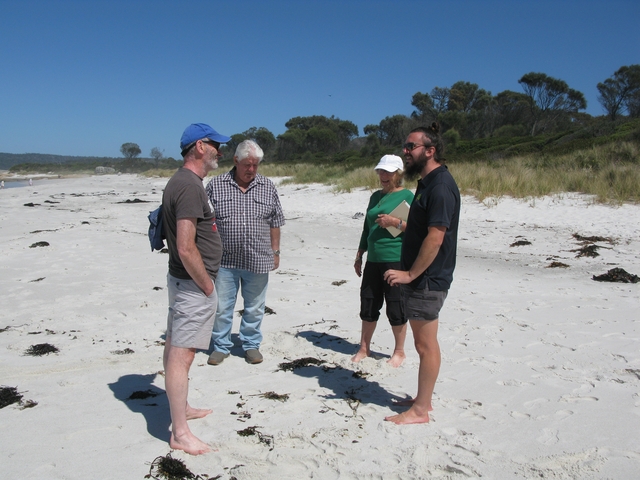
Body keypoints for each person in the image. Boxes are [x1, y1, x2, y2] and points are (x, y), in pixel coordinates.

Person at [383, 123, 460, 424]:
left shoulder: (441, 186)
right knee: (424, 343)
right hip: (425, 276)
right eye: (405, 146)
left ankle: (420, 410)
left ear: (430, 151)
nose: (405, 152)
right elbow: (419, 228)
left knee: (425, 346)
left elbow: (436, 237)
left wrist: (410, 274)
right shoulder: (428, 183)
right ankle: (422, 400)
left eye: (410, 147)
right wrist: (398, 224)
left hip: (428, 278)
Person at [161, 122, 229, 454]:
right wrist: (206, 286)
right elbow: (186, 246)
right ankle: (180, 433)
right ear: (200, 147)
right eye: (216, 144)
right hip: (191, 284)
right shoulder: (188, 186)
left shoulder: (184, 181)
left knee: (175, 345)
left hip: (182, 281)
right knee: (182, 356)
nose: (221, 151)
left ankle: (181, 409)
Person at [205, 139, 285, 366]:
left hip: (258, 259)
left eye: (256, 165)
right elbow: (204, 222)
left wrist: (276, 251)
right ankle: (221, 346)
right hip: (224, 260)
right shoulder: (215, 185)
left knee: (255, 307)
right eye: (247, 165)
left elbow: (275, 221)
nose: (251, 169)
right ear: (235, 161)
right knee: (221, 308)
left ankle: (251, 345)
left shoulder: (267, 186)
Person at [352, 155, 414, 367]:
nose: (383, 176)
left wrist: (394, 222)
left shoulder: (408, 196)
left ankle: (399, 352)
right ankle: (364, 347)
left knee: (395, 305)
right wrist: (360, 254)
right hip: (373, 259)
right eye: (381, 172)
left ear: (398, 173)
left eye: (388, 172)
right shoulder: (375, 197)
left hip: (395, 259)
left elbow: (417, 229)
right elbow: (367, 228)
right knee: (368, 303)